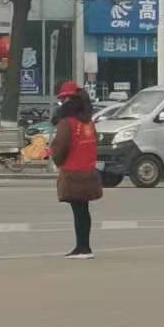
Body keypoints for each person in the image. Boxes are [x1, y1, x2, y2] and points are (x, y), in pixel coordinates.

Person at [49, 81, 102, 260]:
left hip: (73, 172)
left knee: (78, 212)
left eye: (62, 100)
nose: (61, 104)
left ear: (68, 100)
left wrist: (56, 159)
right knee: (83, 211)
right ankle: (84, 246)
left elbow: (60, 147)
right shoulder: (88, 122)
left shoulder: (67, 122)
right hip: (88, 171)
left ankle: (83, 248)